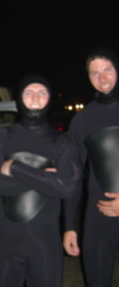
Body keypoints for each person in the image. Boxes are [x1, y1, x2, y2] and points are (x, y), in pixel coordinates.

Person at [0, 74, 80, 287]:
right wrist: (47, 177)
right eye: (29, 92)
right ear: (19, 99)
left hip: (44, 243)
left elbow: (68, 187)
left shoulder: (63, 141)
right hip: (3, 242)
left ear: (50, 99)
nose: (35, 98)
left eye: (42, 93)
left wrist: (14, 167)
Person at [63, 47, 119, 287]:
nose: (102, 78)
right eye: (94, 73)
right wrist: (69, 227)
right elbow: (72, 178)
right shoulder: (83, 119)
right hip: (99, 215)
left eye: (107, 69)